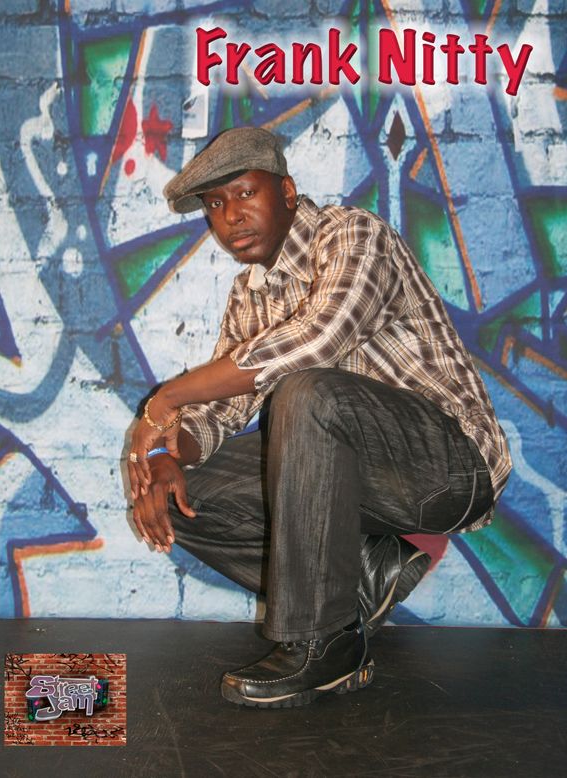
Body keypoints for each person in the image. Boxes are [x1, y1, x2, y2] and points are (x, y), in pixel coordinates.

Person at [127, 126, 512, 709]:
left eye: (244, 193)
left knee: (307, 393)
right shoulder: (249, 296)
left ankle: (321, 644)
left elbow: (316, 341)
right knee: (187, 497)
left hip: (451, 468)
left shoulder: (354, 234)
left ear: (286, 191)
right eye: (214, 204)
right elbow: (220, 412)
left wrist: (164, 400)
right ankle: (363, 578)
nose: (230, 216)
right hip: (362, 483)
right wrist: (162, 456)